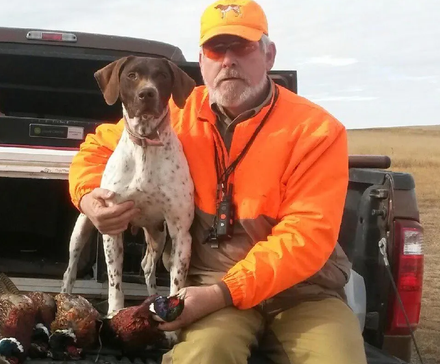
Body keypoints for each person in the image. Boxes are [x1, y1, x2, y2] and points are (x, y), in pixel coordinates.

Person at [68, 0, 368, 363]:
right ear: (202, 61)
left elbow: (307, 237)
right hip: (211, 285)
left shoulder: (316, 131)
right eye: (216, 49)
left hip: (302, 293)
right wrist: (88, 197)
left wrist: (222, 293)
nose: (228, 61)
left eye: (241, 47)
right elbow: (98, 147)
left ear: (268, 55)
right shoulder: (175, 111)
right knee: (204, 356)